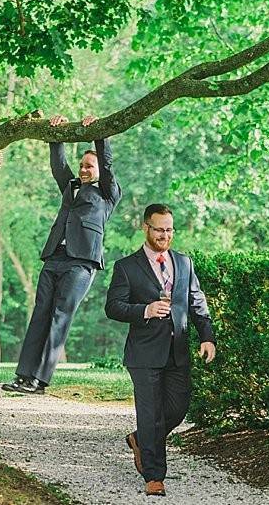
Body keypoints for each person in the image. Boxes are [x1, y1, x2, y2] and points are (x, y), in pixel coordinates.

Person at [1, 114, 121, 395]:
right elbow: (58, 167)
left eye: (89, 166)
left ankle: (39, 381)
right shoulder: (70, 186)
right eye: (82, 165)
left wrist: (99, 134)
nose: (83, 169)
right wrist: (56, 136)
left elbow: (106, 162)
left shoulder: (108, 193)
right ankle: (23, 375)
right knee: (40, 314)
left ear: (99, 170)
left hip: (81, 264)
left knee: (59, 316)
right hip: (54, 256)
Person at [105, 203, 216, 497]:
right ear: (146, 228)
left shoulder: (184, 263)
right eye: (159, 229)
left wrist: (207, 337)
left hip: (177, 351)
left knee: (178, 409)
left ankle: (141, 439)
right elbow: (113, 307)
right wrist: (146, 310)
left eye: (169, 230)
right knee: (151, 412)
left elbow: (197, 303)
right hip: (143, 354)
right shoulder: (126, 267)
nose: (164, 235)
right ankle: (154, 476)